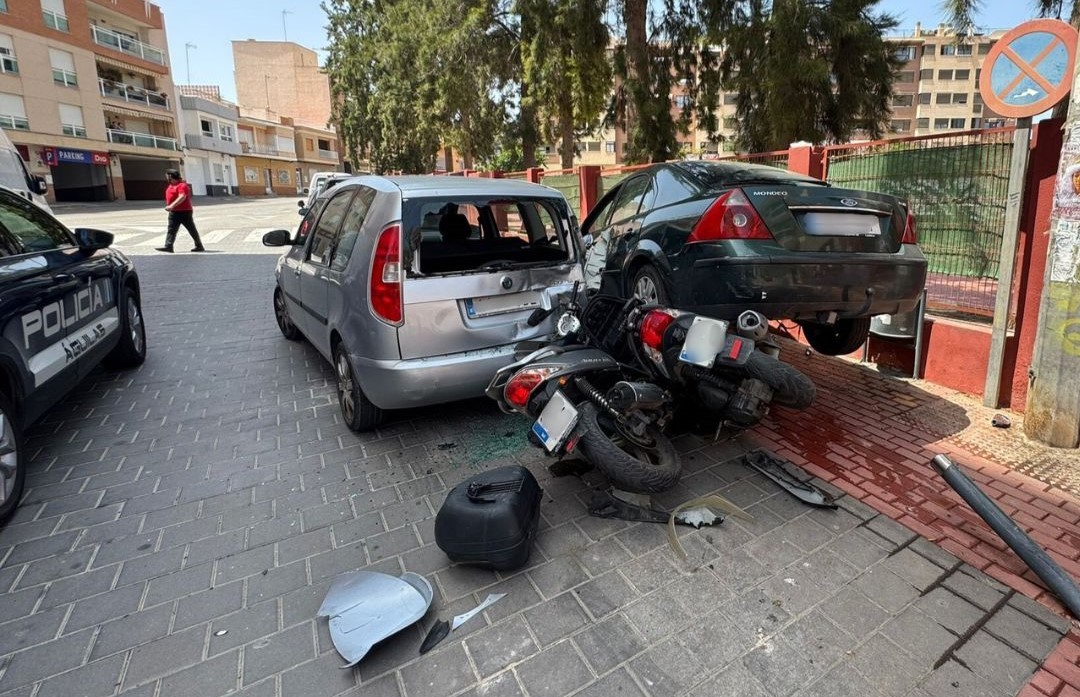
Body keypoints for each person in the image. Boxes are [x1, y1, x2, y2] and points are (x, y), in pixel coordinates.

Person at [156, 169, 205, 253]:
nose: (166, 177)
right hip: (174, 212)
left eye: (167, 175)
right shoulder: (171, 185)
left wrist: (172, 205)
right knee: (171, 229)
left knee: (191, 229)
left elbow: (182, 196)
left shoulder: (182, 185)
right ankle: (168, 246)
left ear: (170, 176)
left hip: (184, 211)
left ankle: (199, 246)